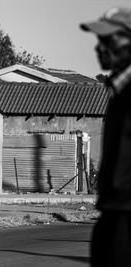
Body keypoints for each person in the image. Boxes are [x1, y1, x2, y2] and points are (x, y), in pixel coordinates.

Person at [80, 7, 131, 266]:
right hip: (113, 212)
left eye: (109, 40)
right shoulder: (117, 91)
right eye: (100, 41)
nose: (101, 48)